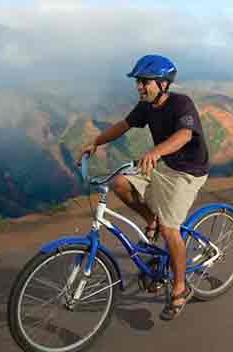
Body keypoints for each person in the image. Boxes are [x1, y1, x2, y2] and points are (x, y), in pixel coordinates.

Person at [78, 54, 209, 320]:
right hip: (161, 166)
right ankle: (151, 219)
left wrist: (157, 152)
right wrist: (97, 141)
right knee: (120, 182)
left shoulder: (181, 104)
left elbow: (184, 134)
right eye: (138, 81)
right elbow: (123, 126)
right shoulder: (145, 106)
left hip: (187, 172)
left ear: (162, 83)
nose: (139, 86)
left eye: (144, 81)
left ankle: (180, 289)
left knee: (171, 230)